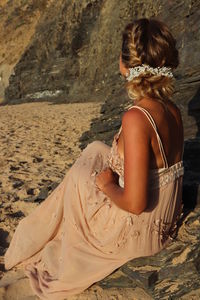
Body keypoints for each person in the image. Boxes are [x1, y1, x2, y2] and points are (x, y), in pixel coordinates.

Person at [4, 18, 184, 300]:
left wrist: (106, 185)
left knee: (80, 176)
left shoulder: (138, 118)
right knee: (96, 150)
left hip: (138, 233)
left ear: (126, 64)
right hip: (165, 222)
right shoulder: (172, 110)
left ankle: (47, 238)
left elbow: (136, 204)